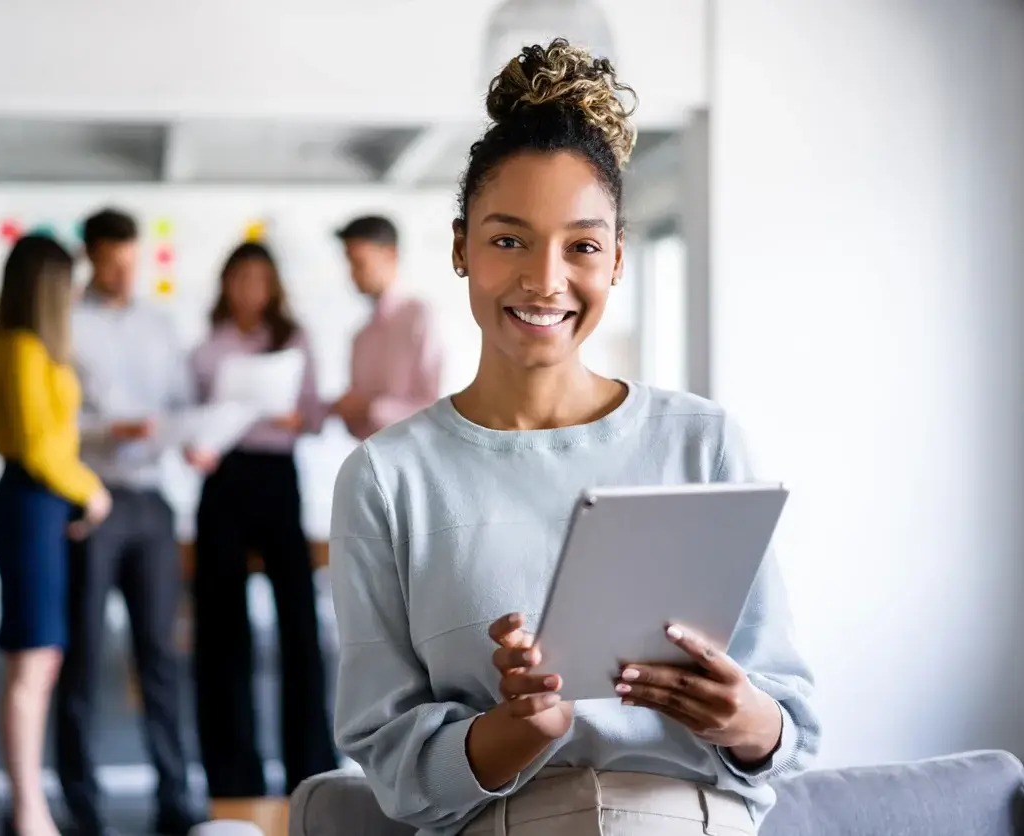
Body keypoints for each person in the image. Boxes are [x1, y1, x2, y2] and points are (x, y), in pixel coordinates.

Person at [329, 40, 819, 836]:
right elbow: (387, 759)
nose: (545, 279)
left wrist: (745, 718)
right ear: (461, 248)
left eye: (582, 246)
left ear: (619, 258)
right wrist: (514, 732)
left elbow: (789, 725)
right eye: (508, 239)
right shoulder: (388, 480)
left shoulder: (704, 443)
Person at [57, 208, 200, 836]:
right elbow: (55, 421)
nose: (123, 272)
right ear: (91, 257)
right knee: (81, 658)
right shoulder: (64, 324)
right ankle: (82, 808)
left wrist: (185, 432)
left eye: (130, 260)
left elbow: (178, 403)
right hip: (91, 499)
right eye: (112, 261)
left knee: (160, 657)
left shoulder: (159, 325)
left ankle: (175, 797)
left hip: (151, 501)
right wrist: (105, 430)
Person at [187, 241, 339, 799]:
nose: (250, 289)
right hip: (223, 480)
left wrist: (294, 415)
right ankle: (232, 773)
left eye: (260, 278)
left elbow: (315, 418)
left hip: (277, 477)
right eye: (240, 278)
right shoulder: (208, 349)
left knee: (299, 624)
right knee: (222, 630)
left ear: (273, 286)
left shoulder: (294, 342)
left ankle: (311, 764)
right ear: (226, 284)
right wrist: (196, 440)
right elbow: (191, 420)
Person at [0, 234, 112, 836]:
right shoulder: (20, 347)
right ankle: (29, 812)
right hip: (29, 504)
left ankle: (26, 805)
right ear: (49, 287)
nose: (79, 290)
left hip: (39, 507)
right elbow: (38, 447)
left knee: (42, 663)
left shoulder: (28, 346)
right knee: (31, 666)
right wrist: (90, 488)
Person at [332, 215, 443, 439]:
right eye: (349, 262)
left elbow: (438, 409)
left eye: (359, 262)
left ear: (391, 255)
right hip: (373, 462)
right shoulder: (361, 336)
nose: (352, 273)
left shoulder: (421, 317)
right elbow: (357, 425)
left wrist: (370, 409)